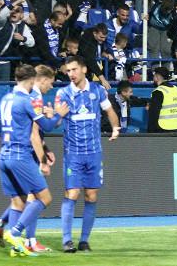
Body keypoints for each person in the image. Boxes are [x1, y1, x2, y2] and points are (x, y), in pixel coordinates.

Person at [0, 65, 69, 257]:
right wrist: (58, 113)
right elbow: (46, 125)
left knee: (18, 202)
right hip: (20, 156)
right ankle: (14, 232)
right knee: (44, 198)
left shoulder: (5, 99)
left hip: (4, 154)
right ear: (31, 80)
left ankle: (16, 248)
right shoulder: (25, 100)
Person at [55, 56, 120, 253]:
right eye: (68, 71)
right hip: (73, 153)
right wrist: (56, 115)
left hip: (93, 152)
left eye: (74, 70)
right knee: (72, 194)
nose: (70, 74)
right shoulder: (63, 93)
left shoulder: (97, 90)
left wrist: (116, 127)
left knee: (91, 196)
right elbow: (56, 122)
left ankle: (84, 240)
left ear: (83, 69)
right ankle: (67, 241)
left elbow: (109, 110)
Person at [147, 67, 177, 133]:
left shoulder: (159, 91)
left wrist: (150, 132)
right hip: (176, 127)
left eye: (154, 76)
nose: (153, 79)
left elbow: (154, 114)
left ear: (157, 77)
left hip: (162, 128)